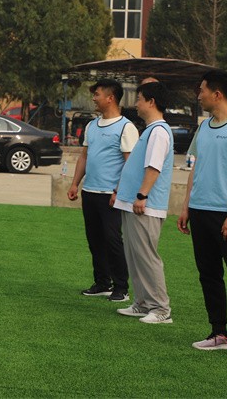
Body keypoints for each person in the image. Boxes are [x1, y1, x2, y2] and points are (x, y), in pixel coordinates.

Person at [177, 70, 227, 364]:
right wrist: (187, 206)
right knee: (209, 275)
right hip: (200, 212)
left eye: (201, 90)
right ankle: (220, 334)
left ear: (217, 94)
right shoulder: (204, 127)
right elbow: (196, 169)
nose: (198, 96)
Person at [66, 79, 136, 302]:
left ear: (110, 98)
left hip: (111, 195)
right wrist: (75, 183)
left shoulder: (126, 127)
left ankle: (121, 287)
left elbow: (130, 164)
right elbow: (84, 157)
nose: (94, 98)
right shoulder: (92, 125)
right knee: (94, 240)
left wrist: (118, 191)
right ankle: (102, 282)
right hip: (90, 192)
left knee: (112, 240)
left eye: (97, 94)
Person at [113, 81, 174, 324]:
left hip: (144, 205)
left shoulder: (159, 131)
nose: (136, 104)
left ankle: (161, 309)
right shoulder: (150, 130)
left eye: (139, 99)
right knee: (134, 256)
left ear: (151, 101)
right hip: (132, 202)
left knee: (146, 256)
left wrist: (142, 195)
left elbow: (154, 167)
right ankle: (142, 303)